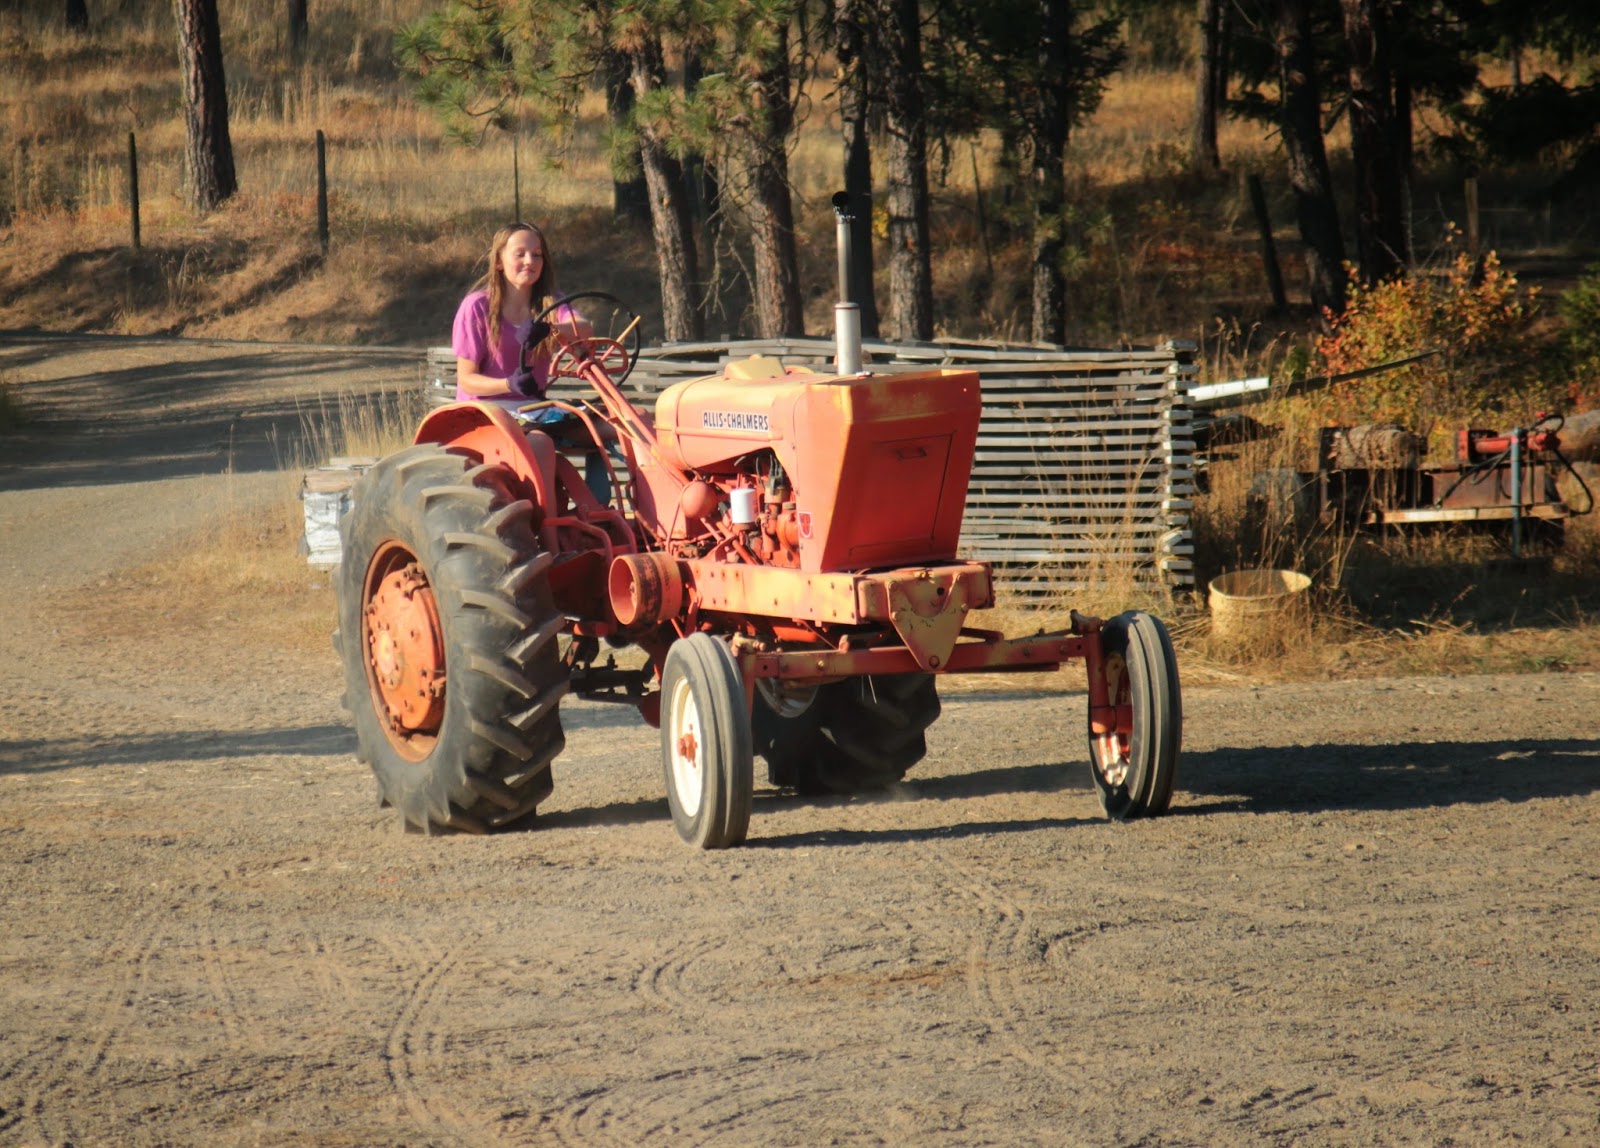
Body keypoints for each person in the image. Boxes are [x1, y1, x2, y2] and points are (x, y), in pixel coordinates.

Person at [451, 222, 612, 500]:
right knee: (541, 444)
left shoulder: (550, 304)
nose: (530, 261)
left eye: (537, 255)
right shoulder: (477, 307)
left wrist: (550, 329)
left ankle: (623, 508)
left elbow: (584, 328)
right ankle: (547, 524)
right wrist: (509, 383)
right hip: (488, 412)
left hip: (535, 411)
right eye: (520, 254)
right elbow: (467, 379)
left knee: (629, 423)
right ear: (499, 261)